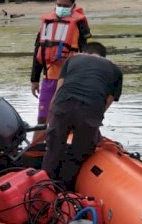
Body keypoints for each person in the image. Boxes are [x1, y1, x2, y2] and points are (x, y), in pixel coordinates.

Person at [41, 42, 123, 188]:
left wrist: (51, 121)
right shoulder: (116, 71)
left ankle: (43, 188)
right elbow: (105, 105)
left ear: (84, 52)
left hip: (63, 106)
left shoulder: (72, 60)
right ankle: (67, 191)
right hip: (90, 111)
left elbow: (57, 93)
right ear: (104, 57)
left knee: (53, 150)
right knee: (79, 154)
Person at [30, 0, 91, 129]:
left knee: (67, 117)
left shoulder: (80, 23)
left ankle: (67, 146)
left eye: (65, 6)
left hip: (71, 78)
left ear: (73, 6)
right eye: (59, 5)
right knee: (43, 117)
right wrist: (34, 80)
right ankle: (37, 147)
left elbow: (88, 52)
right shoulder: (47, 22)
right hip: (49, 78)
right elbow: (38, 51)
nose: (61, 8)